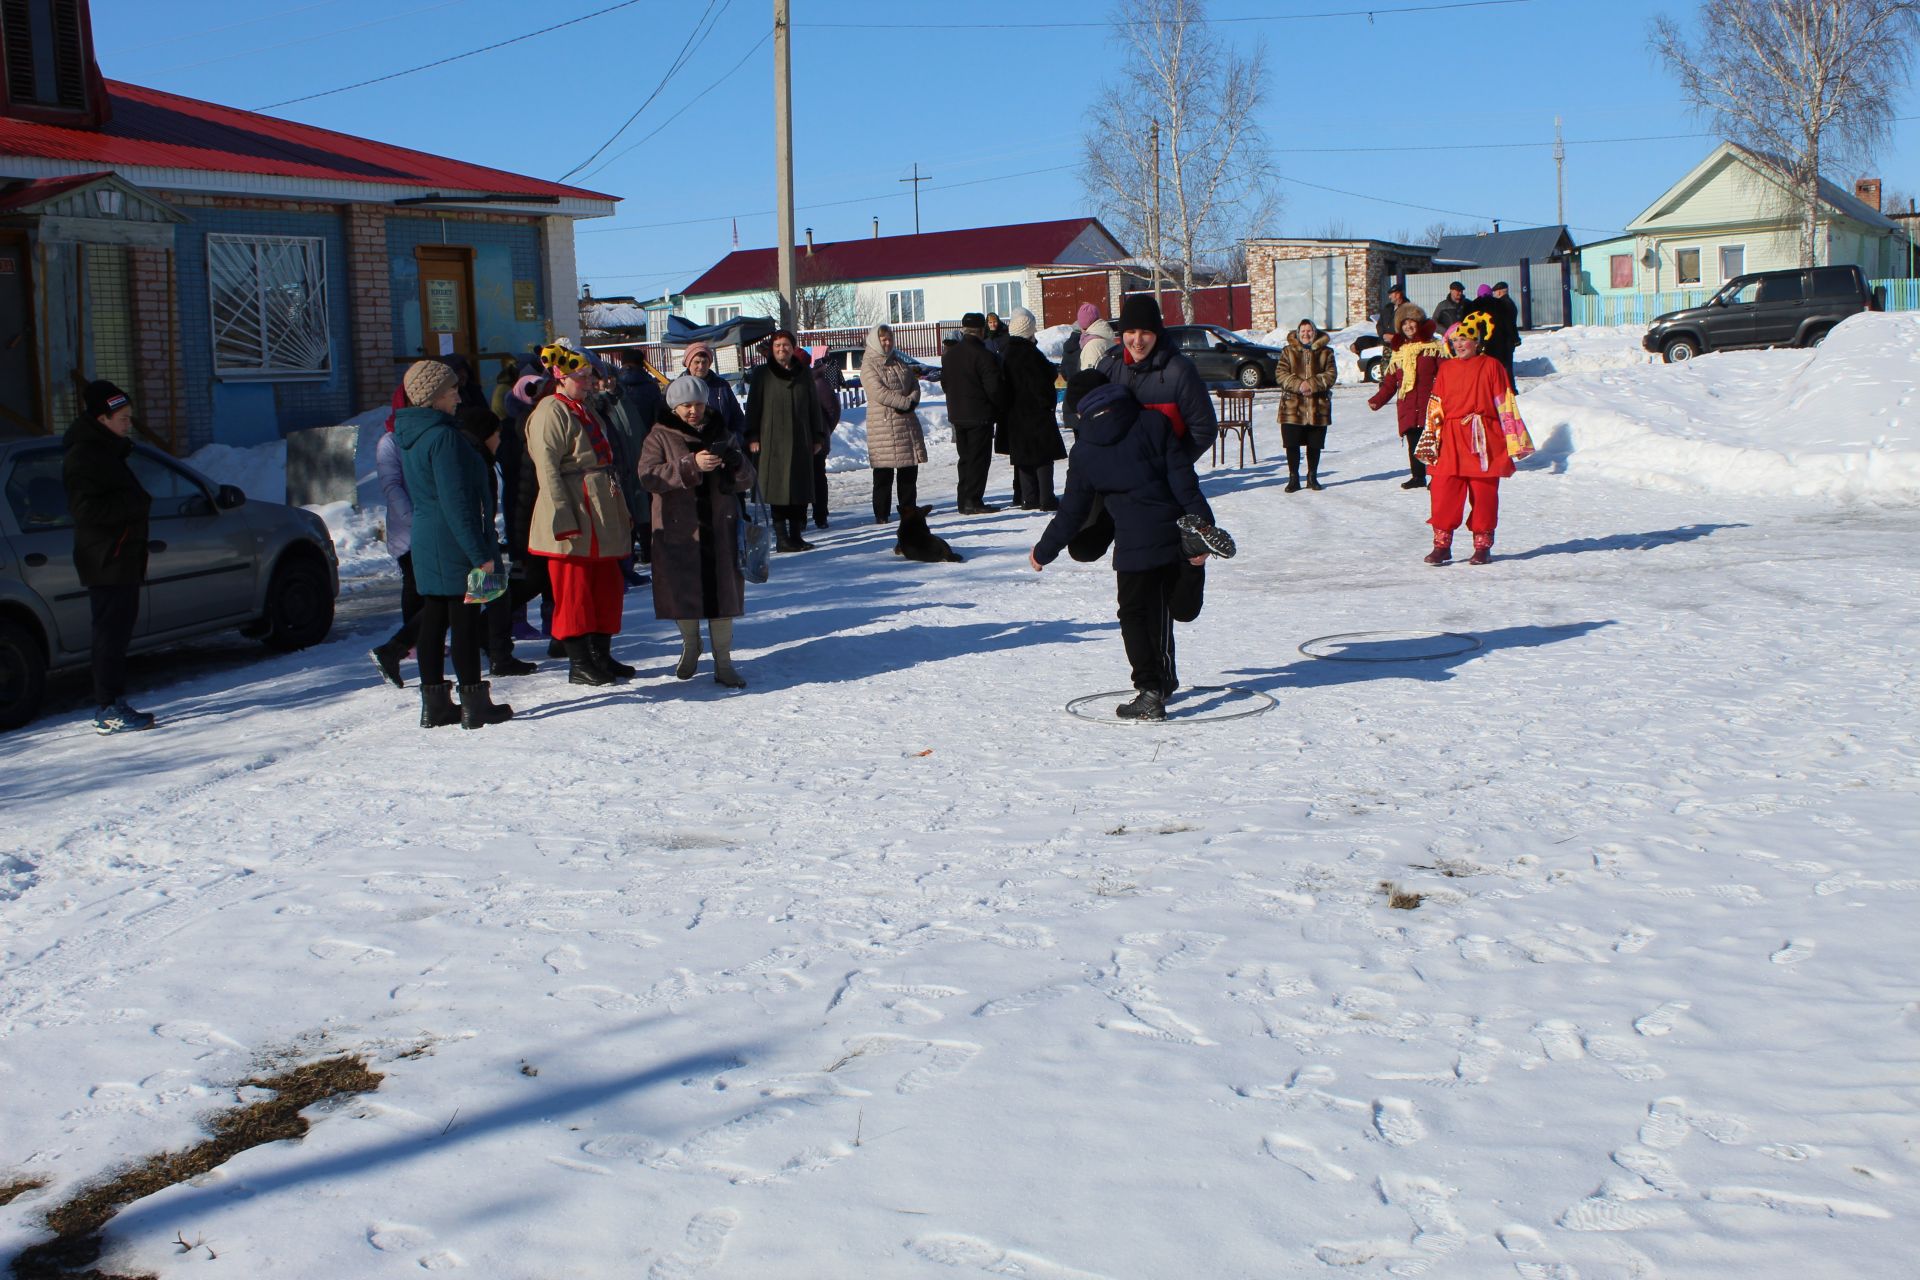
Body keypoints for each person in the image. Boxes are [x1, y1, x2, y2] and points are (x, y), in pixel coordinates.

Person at [1028, 377, 1233, 723]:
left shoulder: (1086, 450)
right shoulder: (1154, 422)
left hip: (1134, 548)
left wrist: (1044, 551)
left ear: (1079, 412)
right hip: (1172, 533)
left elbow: (1073, 511)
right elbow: (1185, 481)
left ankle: (1150, 691)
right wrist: (1203, 526)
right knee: (1178, 609)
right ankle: (1194, 560)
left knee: (1134, 616)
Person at [393, 360, 512, 729]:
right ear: (432, 396)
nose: (458, 396)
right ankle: (474, 703)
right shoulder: (442, 436)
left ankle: (435, 704)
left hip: (428, 538)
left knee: (434, 619)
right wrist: (480, 554)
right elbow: (455, 500)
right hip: (454, 540)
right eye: (451, 390)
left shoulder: (412, 432)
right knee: (464, 620)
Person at [525, 340, 635, 685]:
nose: (589, 382)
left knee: (606, 584)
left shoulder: (583, 407)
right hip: (576, 508)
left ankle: (601, 654)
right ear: (561, 377)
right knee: (574, 589)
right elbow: (547, 470)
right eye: (582, 376)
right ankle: (579, 661)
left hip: (600, 507)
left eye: (589, 375)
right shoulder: (550, 412)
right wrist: (563, 515)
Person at [639, 375, 757, 688]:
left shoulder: (723, 433)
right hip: (680, 530)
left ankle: (724, 661)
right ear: (675, 407)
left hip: (719, 527)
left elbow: (748, 479)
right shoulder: (659, 436)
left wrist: (736, 463)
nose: (693, 410)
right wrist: (691, 465)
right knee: (684, 594)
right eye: (686, 405)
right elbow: (648, 476)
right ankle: (691, 646)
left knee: (723, 596)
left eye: (699, 404)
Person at [62, 380, 154, 734]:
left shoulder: (106, 450)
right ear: (102, 418)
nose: (128, 423)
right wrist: (136, 504)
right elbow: (84, 510)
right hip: (106, 557)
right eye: (123, 417)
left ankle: (113, 702)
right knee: (109, 634)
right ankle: (107, 709)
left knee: (117, 632)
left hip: (119, 554)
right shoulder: (84, 455)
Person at [1413, 311, 1532, 565]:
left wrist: (1515, 439)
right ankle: (1442, 545)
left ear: (1477, 341)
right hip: (1451, 438)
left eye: (1465, 339)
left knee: (1484, 493)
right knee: (1444, 490)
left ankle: (1482, 546)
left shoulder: (1492, 366)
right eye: (1455, 340)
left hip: (1483, 439)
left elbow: (1505, 403)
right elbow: (1436, 406)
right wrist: (1430, 440)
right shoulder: (1446, 369)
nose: (1459, 344)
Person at [1094, 294, 1217, 464]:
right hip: (1117, 479)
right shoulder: (1108, 366)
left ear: (1157, 333)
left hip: (1163, 483)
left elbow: (1204, 429)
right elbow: (1092, 425)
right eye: (1130, 332)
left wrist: (1172, 465)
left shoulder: (1179, 371)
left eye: (1145, 332)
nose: (1137, 341)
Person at [744, 330, 829, 551]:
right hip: (772, 441)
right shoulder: (762, 374)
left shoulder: (803, 374)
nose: (782, 349)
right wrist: (752, 436)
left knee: (799, 490)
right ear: (772, 349)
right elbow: (753, 407)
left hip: (801, 439)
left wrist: (818, 436)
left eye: (786, 345)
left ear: (793, 348)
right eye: (778, 345)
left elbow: (813, 407)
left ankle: (796, 535)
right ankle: (782, 539)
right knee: (777, 489)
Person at [370, 401, 424, 688]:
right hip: (412, 530)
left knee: (446, 596)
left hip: (432, 526)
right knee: (439, 593)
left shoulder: (430, 435)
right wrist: (416, 521)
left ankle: (408, 644)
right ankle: (406, 646)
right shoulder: (390, 442)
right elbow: (392, 486)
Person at [1367, 302, 1446, 490]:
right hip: (1408, 403)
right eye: (1404, 324)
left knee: (1435, 442)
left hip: (1431, 402)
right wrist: (1377, 400)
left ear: (1419, 323)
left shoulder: (1434, 346)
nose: (1408, 327)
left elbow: (1446, 374)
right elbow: (1390, 381)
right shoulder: (1398, 351)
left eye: (1411, 322)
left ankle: (1438, 476)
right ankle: (1418, 476)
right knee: (1413, 441)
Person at [996, 307, 1066, 509]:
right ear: (1029, 331)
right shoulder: (1031, 354)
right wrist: (1047, 404)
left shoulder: (1006, 353)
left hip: (1014, 415)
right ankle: (1046, 499)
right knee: (1044, 458)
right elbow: (1044, 380)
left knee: (1023, 458)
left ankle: (1029, 498)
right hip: (1037, 413)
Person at [861, 322, 928, 523]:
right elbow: (878, 392)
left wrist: (912, 400)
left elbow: (914, 384)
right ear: (875, 341)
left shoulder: (899, 362)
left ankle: (908, 510)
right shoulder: (869, 364)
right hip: (883, 426)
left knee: (908, 472)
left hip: (905, 425)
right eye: (883, 339)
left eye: (889, 339)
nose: (887, 343)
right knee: (883, 474)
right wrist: (904, 402)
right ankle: (882, 514)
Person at [939, 312, 1005, 514]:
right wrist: (1000, 407)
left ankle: (963, 499)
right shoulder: (985, 356)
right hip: (979, 415)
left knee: (965, 458)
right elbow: (994, 388)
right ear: (981, 331)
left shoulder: (950, 355)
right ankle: (973, 500)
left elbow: (944, 383)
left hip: (957, 414)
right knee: (978, 459)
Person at [1275, 317, 1337, 492]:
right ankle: (1293, 478)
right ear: (1297, 333)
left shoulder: (1326, 352)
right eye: (1302, 331)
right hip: (1292, 406)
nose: (1306, 334)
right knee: (1291, 443)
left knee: (1314, 443)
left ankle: (1312, 476)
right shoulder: (1288, 352)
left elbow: (1331, 374)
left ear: (1315, 332)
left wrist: (1313, 384)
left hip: (1317, 406)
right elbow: (1280, 374)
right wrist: (1299, 384)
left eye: (1309, 331)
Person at [806, 347, 843, 530]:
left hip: (817, 439)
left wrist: (825, 430)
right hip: (802, 440)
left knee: (818, 478)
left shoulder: (817, 382)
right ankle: (801, 518)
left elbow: (833, 410)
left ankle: (820, 515)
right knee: (803, 479)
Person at [681, 340, 745, 444]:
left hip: (724, 447)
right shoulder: (679, 388)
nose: (701, 366)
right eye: (697, 362)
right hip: (693, 449)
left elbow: (737, 417)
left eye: (704, 362)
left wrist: (735, 438)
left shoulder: (721, 386)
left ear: (709, 363)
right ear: (688, 364)